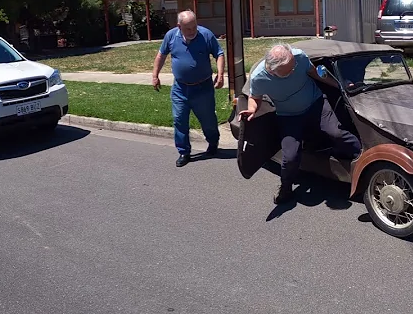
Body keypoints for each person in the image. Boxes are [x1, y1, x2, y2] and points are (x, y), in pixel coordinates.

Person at [238, 43, 362, 204]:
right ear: (273, 70)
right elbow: (255, 97)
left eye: (294, 63)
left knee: (336, 132)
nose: (295, 67)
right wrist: (252, 110)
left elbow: (315, 73)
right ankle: (286, 187)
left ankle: (362, 156)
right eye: (290, 68)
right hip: (288, 116)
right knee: (290, 156)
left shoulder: (298, 57)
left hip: (316, 103)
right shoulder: (259, 77)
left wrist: (340, 84)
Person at [152, 10, 225, 167]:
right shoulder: (171, 36)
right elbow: (161, 55)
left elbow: (219, 53)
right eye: (188, 28)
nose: (192, 31)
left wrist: (220, 74)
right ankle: (184, 152)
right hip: (180, 89)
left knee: (208, 121)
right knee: (179, 120)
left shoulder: (205, 35)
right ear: (179, 26)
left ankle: (213, 143)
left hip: (203, 87)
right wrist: (155, 75)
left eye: (194, 27)